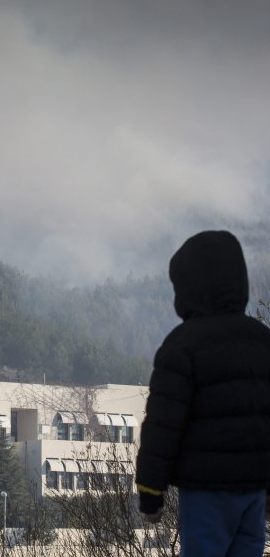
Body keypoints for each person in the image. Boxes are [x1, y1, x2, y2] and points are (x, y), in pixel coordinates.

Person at [136, 230, 270, 556]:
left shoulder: (182, 346)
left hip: (206, 492)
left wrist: (151, 491)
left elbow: (163, 426)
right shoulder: (263, 342)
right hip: (255, 489)